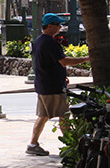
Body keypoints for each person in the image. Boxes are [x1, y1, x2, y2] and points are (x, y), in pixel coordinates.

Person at [27, 13, 89, 156]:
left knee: (43, 116)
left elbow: (49, 63)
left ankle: (33, 144)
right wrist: (86, 59)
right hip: (53, 86)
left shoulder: (39, 41)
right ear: (50, 26)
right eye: (57, 25)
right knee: (64, 116)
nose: (60, 27)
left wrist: (63, 74)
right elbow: (64, 61)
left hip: (43, 84)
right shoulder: (50, 42)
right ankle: (73, 147)